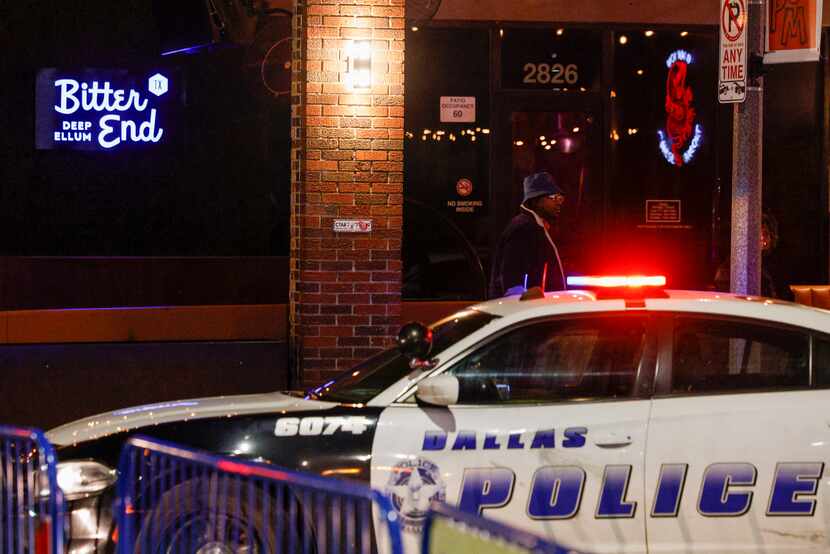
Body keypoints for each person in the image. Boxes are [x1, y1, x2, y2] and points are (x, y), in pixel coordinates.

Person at [489, 171, 567, 298]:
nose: (559, 202)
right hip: (531, 312)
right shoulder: (524, 228)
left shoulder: (534, 225)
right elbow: (511, 280)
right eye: (553, 197)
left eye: (560, 198)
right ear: (536, 201)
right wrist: (524, 307)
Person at [713, 211, 779, 297]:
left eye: (765, 234)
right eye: (757, 233)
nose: (762, 238)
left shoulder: (767, 266)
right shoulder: (734, 267)